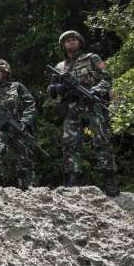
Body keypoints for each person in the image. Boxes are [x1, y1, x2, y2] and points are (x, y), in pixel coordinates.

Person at [47, 30, 119, 196]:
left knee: (101, 140)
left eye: (74, 39)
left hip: (93, 105)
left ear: (79, 42)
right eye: (67, 41)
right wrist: (58, 88)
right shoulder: (59, 67)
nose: (71, 42)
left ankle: (109, 179)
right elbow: (51, 90)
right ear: (63, 45)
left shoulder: (92, 58)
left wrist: (96, 90)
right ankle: (73, 179)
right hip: (72, 108)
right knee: (70, 143)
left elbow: (107, 77)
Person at [0, 60, 36, 189]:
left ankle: (27, 187)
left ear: (5, 72)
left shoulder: (17, 87)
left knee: (25, 158)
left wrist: (25, 122)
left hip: (18, 128)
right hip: (2, 130)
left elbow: (30, 104)